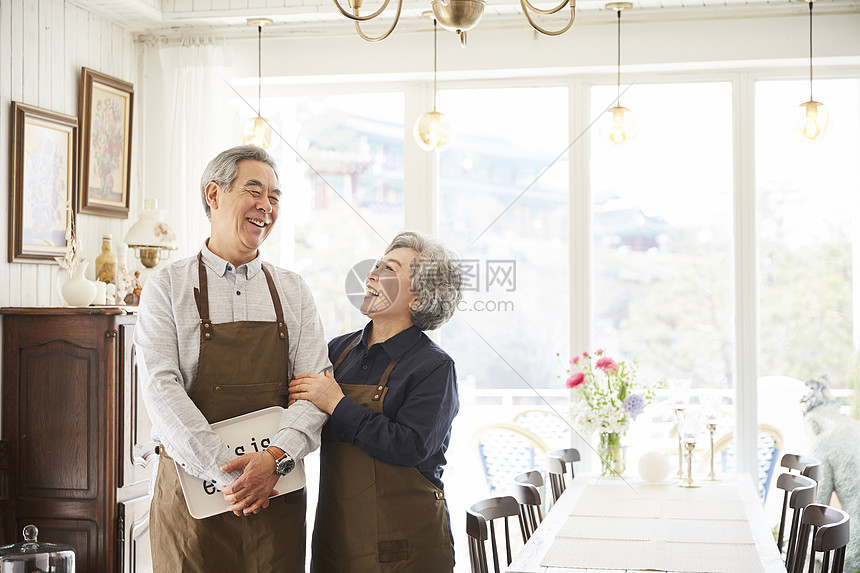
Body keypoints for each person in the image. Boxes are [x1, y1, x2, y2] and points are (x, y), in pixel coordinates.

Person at [135, 145, 330, 572]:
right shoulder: (166, 287)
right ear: (213, 194)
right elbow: (161, 390)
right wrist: (233, 477)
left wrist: (276, 459)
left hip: (275, 496)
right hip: (192, 502)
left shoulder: (294, 291)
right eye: (254, 191)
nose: (266, 206)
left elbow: (315, 390)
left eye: (275, 197)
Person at [289, 231, 464, 572]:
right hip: (337, 540)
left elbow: (411, 445)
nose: (371, 275)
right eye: (378, 265)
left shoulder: (434, 367)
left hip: (409, 547)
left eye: (390, 269)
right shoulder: (338, 351)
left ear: (418, 299)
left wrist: (337, 403)